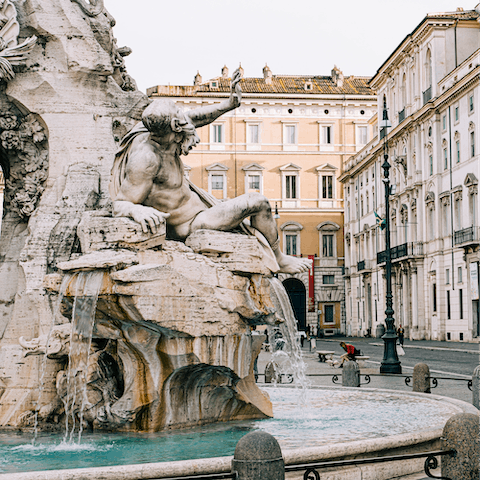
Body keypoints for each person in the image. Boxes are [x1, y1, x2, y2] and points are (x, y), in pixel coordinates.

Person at [110, 69, 312, 275]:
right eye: (179, 113)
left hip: (203, 208)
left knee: (253, 205)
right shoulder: (146, 159)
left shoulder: (161, 132)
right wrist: (137, 210)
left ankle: (276, 255)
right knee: (258, 202)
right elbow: (120, 203)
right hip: (193, 223)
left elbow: (196, 117)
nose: (184, 117)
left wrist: (229, 103)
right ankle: (278, 258)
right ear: (174, 127)